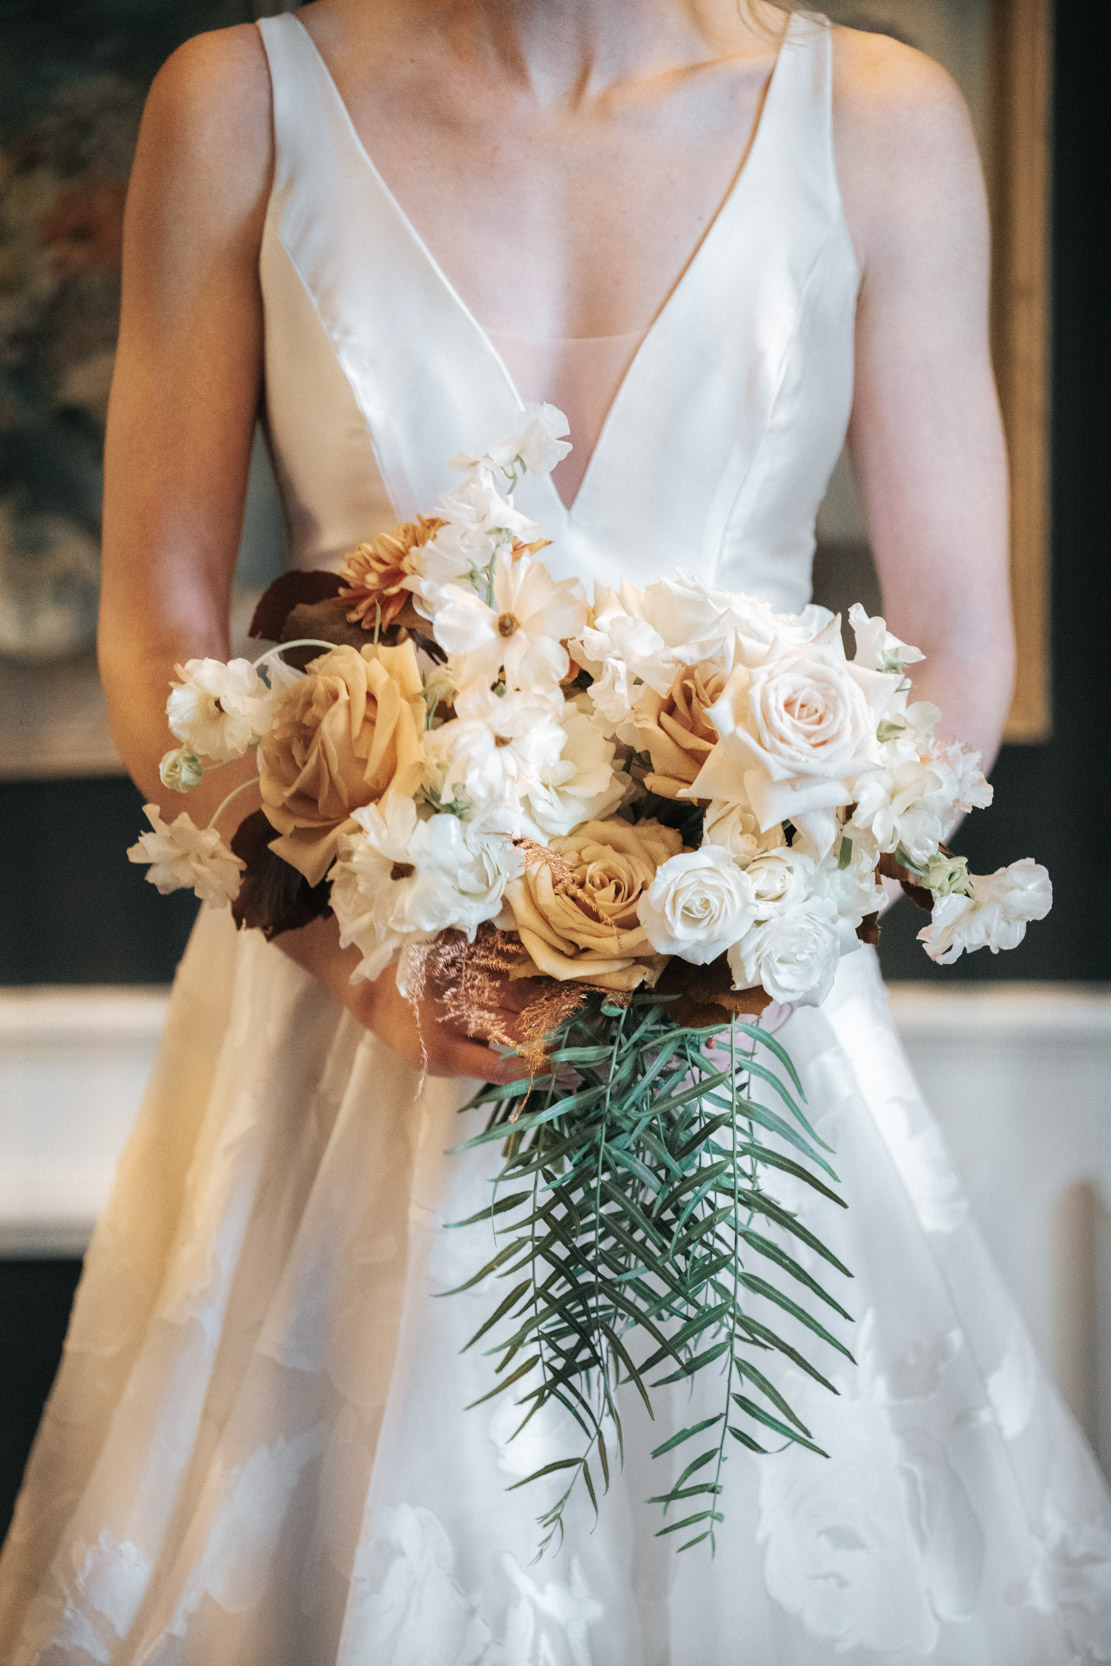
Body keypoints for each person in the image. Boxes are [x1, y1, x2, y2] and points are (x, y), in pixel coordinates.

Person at [2, 0, 1110, 1659]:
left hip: (744, 1057)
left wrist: (728, 930)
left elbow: (956, 637)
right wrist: (365, 948)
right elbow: (158, 620)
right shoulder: (238, 103)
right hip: (339, 1026)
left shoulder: (875, 118)